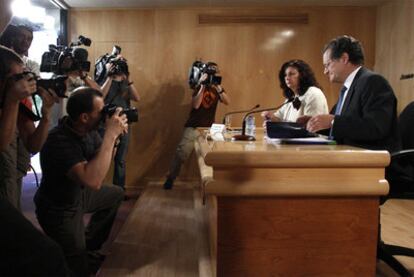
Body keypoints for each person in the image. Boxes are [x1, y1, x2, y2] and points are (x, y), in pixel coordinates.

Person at [34, 87, 125, 276]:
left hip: (78, 194)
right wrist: (110, 135)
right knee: (77, 269)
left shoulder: (88, 130)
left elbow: (101, 161)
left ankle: (89, 247)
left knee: (116, 194)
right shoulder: (59, 141)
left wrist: (114, 139)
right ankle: (77, 256)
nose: (104, 115)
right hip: (59, 209)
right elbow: (93, 181)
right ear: (84, 117)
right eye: (100, 112)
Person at [0, 44, 69, 276]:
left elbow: (33, 145)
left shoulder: (17, 99)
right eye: (16, 76)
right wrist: (10, 100)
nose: (24, 82)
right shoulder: (10, 98)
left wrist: (47, 114)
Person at [303, 35, 400, 189]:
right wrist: (316, 122)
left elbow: (376, 127)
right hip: (349, 158)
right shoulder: (348, 87)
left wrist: (333, 121)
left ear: (344, 58)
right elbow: (343, 123)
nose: (325, 71)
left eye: (328, 64)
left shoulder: (373, 82)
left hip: (370, 165)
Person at [163, 61, 230, 190]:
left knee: (210, 156)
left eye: (214, 73)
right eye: (210, 74)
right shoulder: (198, 87)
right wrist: (202, 85)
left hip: (209, 128)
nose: (212, 76)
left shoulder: (217, 88)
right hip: (193, 126)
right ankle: (171, 178)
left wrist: (218, 87)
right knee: (181, 154)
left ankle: (209, 183)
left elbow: (227, 101)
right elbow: (196, 105)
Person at [101, 56, 140, 192]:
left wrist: (128, 79)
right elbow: (100, 95)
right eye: (115, 65)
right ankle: (99, 188)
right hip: (108, 122)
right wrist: (109, 77)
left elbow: (137, 98)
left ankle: (119, 190)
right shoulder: (105, 77)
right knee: (103, 156)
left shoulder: (125, 82)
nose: (117, 68)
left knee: (121, 159)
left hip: (124, 121)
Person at [261, 59, 328, 123]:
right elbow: (279, 118)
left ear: (302, 75)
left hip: (310, 135)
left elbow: (312, 125)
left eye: (291, 74)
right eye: (285, 75)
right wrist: (270, 117)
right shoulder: (291, 98)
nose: (287, 78)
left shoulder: (313, 93)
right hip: (294, 135)